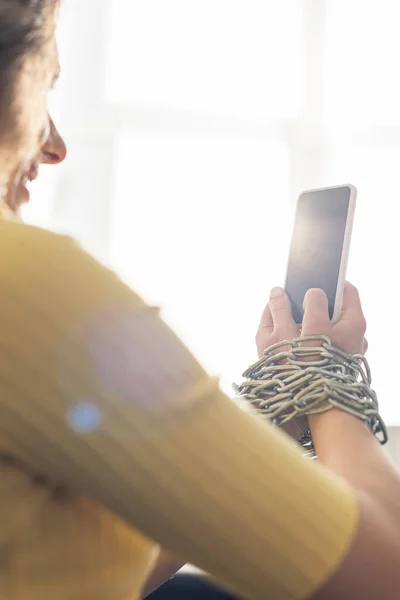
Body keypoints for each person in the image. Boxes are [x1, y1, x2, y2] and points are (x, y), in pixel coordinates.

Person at [1, 2, 400, 600]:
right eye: (41, 88)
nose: (54, 145)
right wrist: (324, 370)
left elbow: (69, 569)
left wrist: (275, 414)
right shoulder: (25, 279)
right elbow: (385, 572)